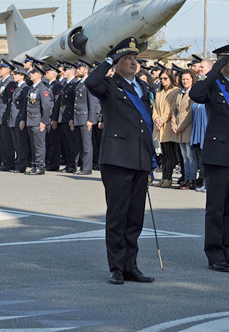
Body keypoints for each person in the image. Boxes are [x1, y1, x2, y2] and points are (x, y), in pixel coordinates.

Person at [85, 37, 155, 285]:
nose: (133, 62)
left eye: (135, 58)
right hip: (117, 159)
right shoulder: (108, 84)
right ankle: (115, 267)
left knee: (135, 217)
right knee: (117, 215)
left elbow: (144, 124)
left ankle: (130, 266)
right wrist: (108, 61)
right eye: (127, 58)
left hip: (139, 159)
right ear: (117, 62)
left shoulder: (143, 88)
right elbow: (90, 82)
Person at [189, 42, 229, 273]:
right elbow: (195, 94)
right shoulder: (213, 85)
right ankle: (215, 254)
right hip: (218, 156)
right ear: (222, 63)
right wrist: (213, 71)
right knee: (216, 208)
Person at [152, 68, 181, 187]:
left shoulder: (175, 91)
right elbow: (154, 108)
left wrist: (162, 120)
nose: (163, 81)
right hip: (158, 127)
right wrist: (156, 119)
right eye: (161, 78)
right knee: (162, 154)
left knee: (169, 154)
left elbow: (171, 109)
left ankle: (168, 177)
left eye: (165, 78)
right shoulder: (159, 92)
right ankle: (164, 177)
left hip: (168, 126)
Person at [72, 59, 100, 175]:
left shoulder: (89, 83)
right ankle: (83, 166)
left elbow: (93, 103)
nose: (77, 70)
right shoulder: (80, 83)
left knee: (86, 144)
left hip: (85, 118)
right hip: (78, 117)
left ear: (86, 70)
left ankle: (87, 168)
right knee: (80, 144)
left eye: (80, 68)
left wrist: (90, 119)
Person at [171, 70, 197, 189]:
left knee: (190, 155)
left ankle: (192, 179)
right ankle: (186, 177)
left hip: (188, 127)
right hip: (178, 128)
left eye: (187, 79)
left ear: (192, 79)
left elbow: (190, 113)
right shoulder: (180, 93)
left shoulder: (193, 93)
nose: (185, 81)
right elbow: (174, 110)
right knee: (184, 156)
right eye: (183, 79)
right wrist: (173, 124)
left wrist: (181, 127)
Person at [26, 66, 53, 175]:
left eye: (33, 72)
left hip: (38, 121)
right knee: (33, 145)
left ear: (39, 75)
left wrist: (44, 121)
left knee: (39, 145)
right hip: (31, 120)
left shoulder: (42, 88)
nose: (30, 74)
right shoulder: (32, 87)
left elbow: (46, 106)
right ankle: (35, 165)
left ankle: (40, 166)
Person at [8, 67, 30, 173]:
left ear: (22, 76)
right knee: (16, 143)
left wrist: (23, 119)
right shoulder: (18, 87)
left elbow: (24, 106)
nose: (14, 75)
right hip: (13, 119)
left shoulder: (25, 88)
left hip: (19, 119)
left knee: (21, 144)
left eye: (16, 74)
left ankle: (21, 166)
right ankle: (18, 164)